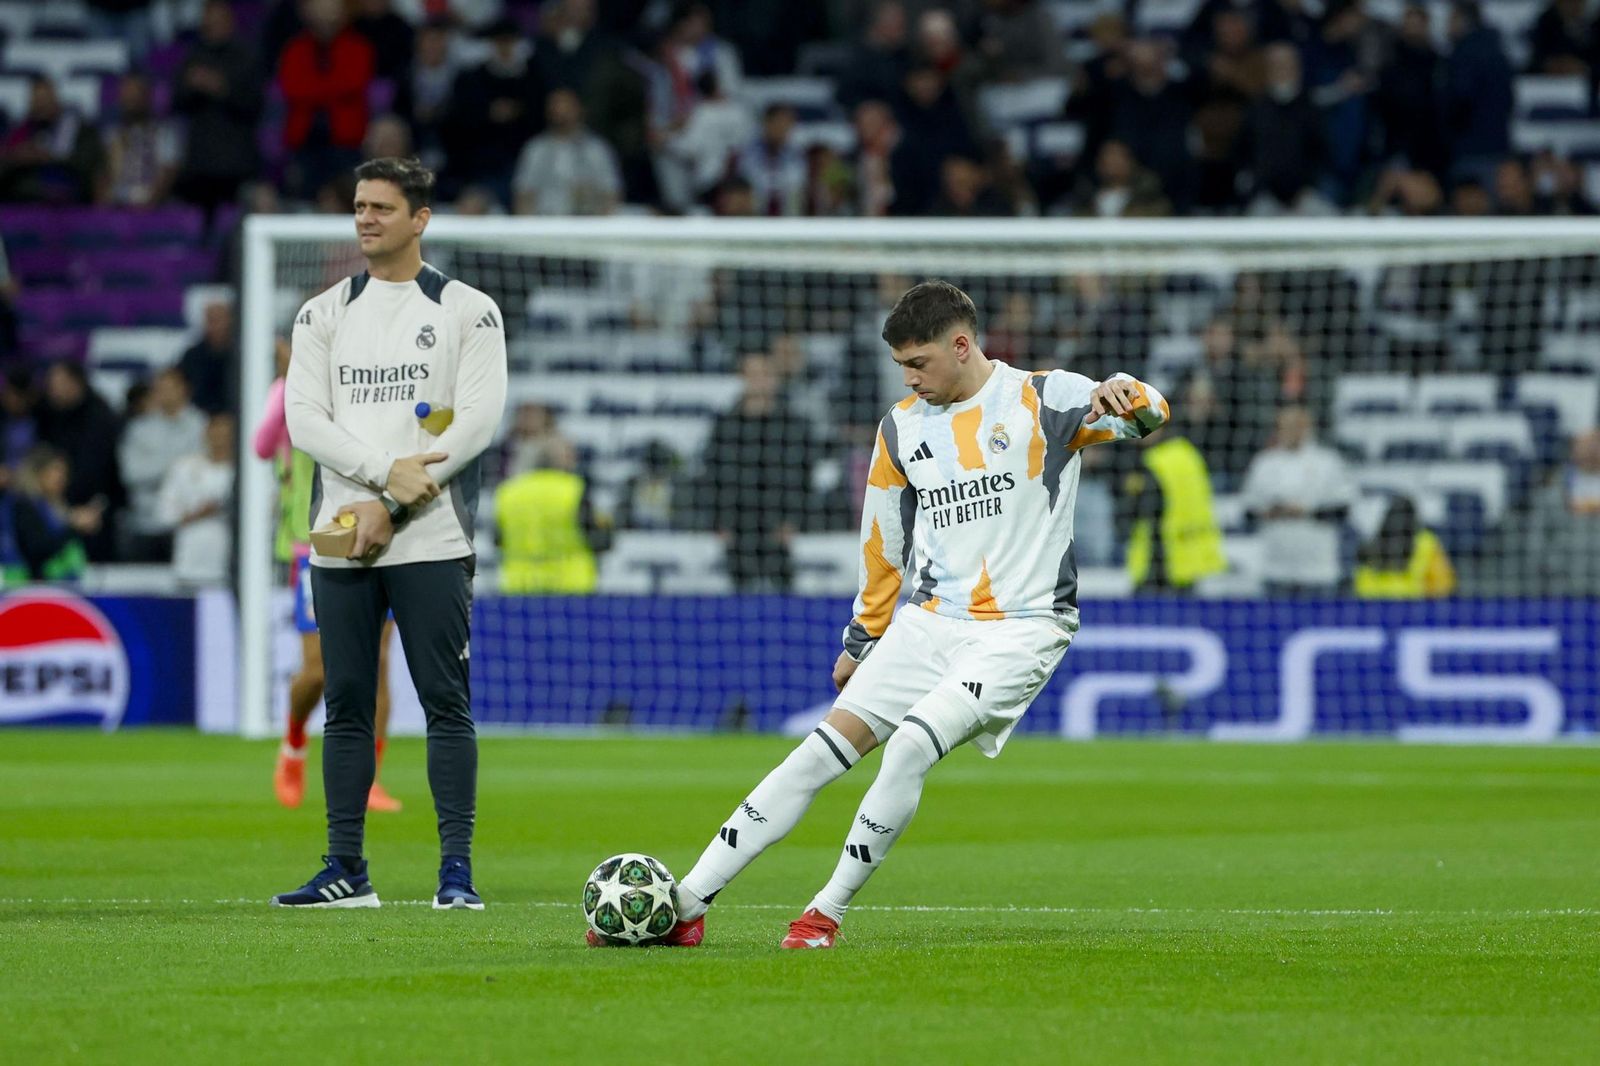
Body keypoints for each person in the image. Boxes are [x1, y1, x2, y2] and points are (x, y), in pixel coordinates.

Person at [609, 280, 1169, 949]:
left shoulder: (1047, 398)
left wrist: (1125, 389)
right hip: (930, 622)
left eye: (919, 363)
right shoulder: (900, 428)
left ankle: (823, 913)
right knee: (813, 757)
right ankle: (688, 903)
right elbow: (883, 546)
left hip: (1024, 626)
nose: (909, 378)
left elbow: (1149, 416)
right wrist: (864, 637)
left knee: (909, 746)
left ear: (961, 345)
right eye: (901, 365)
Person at [274, 157, 507, 910]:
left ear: (420, 218)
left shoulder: (469, 310)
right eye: (359, 206)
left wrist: (394, 507)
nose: (366, 218)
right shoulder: (321, 313)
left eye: (381, 206)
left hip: (432, 537)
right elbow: (304, 420)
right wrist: (382, 477)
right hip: (342, 533)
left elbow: (475, 424)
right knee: (345, 700)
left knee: (446, 700)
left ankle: (457, 875)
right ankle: (346, 869)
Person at [255, 336, 401, 813]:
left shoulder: (367, 392)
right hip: (312, 543)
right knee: (320, 666)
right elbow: (260, 445)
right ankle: (294, 742)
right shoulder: (290, 392)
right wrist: (291, 382)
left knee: (378, 660)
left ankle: (370, 779)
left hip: (376, 536)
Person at [1239, 404, 1356, 596]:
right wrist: (1272, 512)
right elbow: (1247, 511)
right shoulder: (1264, 463)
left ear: (1307, 426)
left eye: (1296, 425)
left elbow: (1343, 509)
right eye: (1285, 425)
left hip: (1318, 569)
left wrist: (1306, 512)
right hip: (1275, 568)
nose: (1290, 430)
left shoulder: (1328, 462)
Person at [493, 437, 609, 593]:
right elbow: (599, 541)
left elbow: (498, 540)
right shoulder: (575, 489)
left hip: (519, 584)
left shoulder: (507, 492)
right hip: (571, 583)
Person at [117, 367, 205, 562]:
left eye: (169, 387)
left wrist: (157, 466)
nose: (163, 393)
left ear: (185, 389)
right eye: (159, 388)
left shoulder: (202, 426)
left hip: (188, 525)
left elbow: (201, 475)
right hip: (144, 524)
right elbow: (131, 473)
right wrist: (177, 466)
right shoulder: (139, 428)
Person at [1, 445, 102, 585]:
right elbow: (38, 548)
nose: (61, 478)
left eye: (64, 473)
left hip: (65, 584)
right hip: (29, 587)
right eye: (55, 471)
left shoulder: (58, 506)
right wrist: (73, 527)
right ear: (38, 474)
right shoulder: (24, 506)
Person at [157, 412, 235, 588]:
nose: (221, 441)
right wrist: (200, 513)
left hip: (231, 570)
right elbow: (164, 515)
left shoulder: (248, 475)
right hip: (189, 567)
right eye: (217, 433)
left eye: (227, 435)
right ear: (206, 433)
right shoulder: (183, 468)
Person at [1353, 495, 1456, 598]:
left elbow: (1360, 581)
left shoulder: (1372, 542)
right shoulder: (1426, 542)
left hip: (1371, 604)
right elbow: (1442, 584)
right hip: (1410, 605)